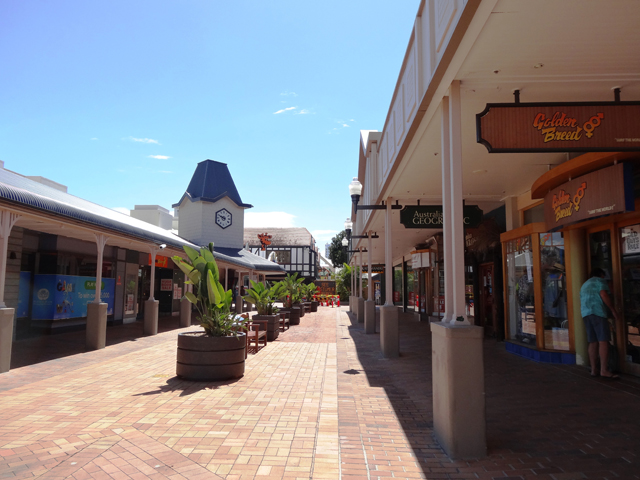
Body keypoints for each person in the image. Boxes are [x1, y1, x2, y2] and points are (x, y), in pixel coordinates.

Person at [580, 268, 620, 379]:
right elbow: (603, 294)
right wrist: (612, 310)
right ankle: (604, 370)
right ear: (601, 275)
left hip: (585, 314)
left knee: (592, 342)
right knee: (603, 341)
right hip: (597, 312)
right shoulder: (599, 281)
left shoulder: (584, 284)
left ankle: (593, 369)